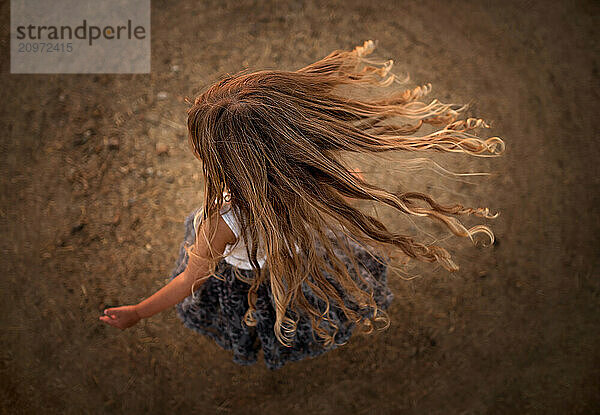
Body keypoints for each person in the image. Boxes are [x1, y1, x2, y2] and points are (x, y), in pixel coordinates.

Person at [99, 40, 504, 369]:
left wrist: (138, 311)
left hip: (251, 283)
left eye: (205, 149)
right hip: (305, 263)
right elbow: (354, 185)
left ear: (231, 165)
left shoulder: (220, 223)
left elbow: (190, 281)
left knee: (257, 322)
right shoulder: (313, 176)